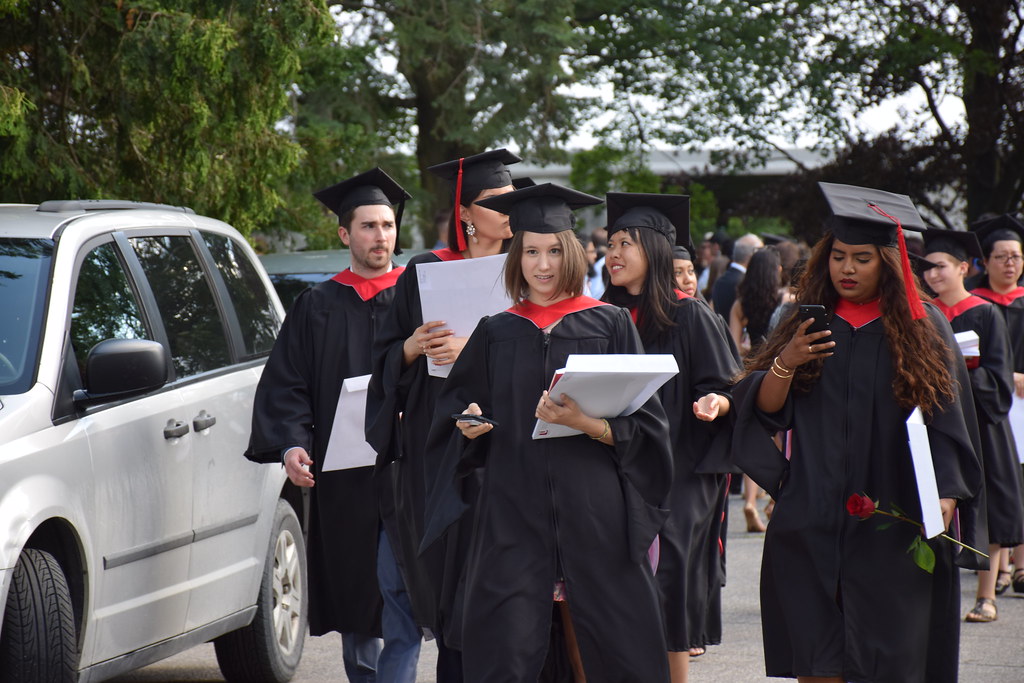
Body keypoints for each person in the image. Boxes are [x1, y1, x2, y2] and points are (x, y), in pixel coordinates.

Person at [421, 183, 673, 682]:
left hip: (596, 515)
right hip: (512, 515)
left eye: (555, 251)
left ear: (573, 253)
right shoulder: (496, 332)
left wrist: (586, 424)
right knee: (506, 653)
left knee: (619, 649)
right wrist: (469, 426)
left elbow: (649, 429)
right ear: (516, 257)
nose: (543, 264)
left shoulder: (610, 324)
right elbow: (455, 415)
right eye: (531, 251)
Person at [730, 182, 981, 683]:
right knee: (818, 656)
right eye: (839, 256)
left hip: (892, 513)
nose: (847, 269)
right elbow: (763, 411)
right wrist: (787, 361)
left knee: (888, 656)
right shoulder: (808, 323)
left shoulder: (922, 324)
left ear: (886, 262)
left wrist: (946, 495)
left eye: (862, 258)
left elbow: (948, 419)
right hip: (813, 511)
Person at [244, 168, 419, 682]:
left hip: (407, 469)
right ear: (345, 234)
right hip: (343, 479)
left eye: (387, 225)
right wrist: (291, 446)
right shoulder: (316, 306)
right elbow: (288, 385)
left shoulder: (418, 298)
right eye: (368, 226)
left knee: (401, 585)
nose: (380, 236)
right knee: (355, 590)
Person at [366, 149, 521, 682]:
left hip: (507, 442)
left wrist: (476, 351)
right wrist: (412, 347)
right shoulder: (426, 271)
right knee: (449, 578)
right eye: (497, 202)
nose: (510, 211)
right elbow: (385, 358)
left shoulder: (531, 267)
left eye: (513, 201)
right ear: (465, 214)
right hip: (439, 449)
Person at [602, 192, 740, 683]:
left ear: (656, 252)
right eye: (611, 243)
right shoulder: (602, 316)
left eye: (626, 244)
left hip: (681, 467)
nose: (612, 253)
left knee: (668, 576)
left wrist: (715, 403)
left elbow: (726, 386)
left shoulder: (691, 315)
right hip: (616, 466)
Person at [922, 228, 1024, 623]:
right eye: (927, 268)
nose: (932, 275)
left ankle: (986, 595)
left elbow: (999, 378)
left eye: (941, 267)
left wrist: (958, 372)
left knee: (987, 505)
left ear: (963, 268)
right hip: (934, 421)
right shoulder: (925, 315)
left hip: (980, 421)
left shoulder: (985, 313)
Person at [969, 213, 1024, 594]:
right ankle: (1000, 568)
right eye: (1002, 257)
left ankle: (1020, 565)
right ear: (985, 261)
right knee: (1002, 479)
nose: (1010, 264)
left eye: (1017, 257)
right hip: (999, 403)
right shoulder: (977, 306)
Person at [729, 245, 792, 533]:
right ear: (775, 270)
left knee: (756, 437)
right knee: (783, 439)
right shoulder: (784, 300)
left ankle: (752, 500)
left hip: (752, 371)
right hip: (779, 370)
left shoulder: (740, 303)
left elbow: (731, 344)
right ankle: (777, 498)